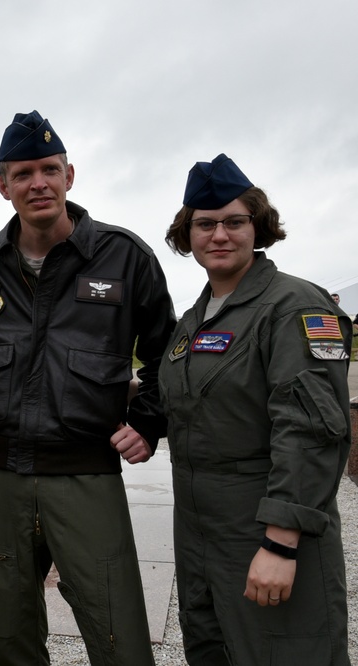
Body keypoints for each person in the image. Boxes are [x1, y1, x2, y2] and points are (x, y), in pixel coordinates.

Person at [0, 111, 175, 666]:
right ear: (3, 186)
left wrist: (147, 421)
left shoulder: (124, 258)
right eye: (22, 173)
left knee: (117, 631)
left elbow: (173, 353)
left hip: (84, 475)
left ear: (70, 175)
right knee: (2, 639)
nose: (38, 183)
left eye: (49, 169)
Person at [159, 154, 351, 665]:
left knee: (286, 653)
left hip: (262, 522)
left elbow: (310, 429)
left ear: (257, 227)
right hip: (199, 529)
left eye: (234, 222)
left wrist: (282, 543)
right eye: (205, 224)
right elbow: (191, 400)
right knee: (213, 650)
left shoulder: (295, 306)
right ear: (188, 234)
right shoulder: (194, 319)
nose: (219, 234)